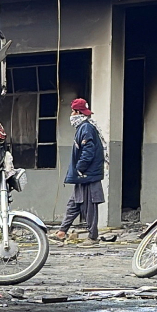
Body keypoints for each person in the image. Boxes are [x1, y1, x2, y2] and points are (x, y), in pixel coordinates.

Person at [55, 97, 105, 245]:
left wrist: (80, 169)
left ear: (77, 112)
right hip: (83, 175)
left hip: (87, 175)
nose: (71, 115)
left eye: (72, 111)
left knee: (89, 206)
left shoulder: (86, 128)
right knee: (74, 203)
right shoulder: (84, 127)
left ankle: (93, 237)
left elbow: (88, 152)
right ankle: (61, 232)